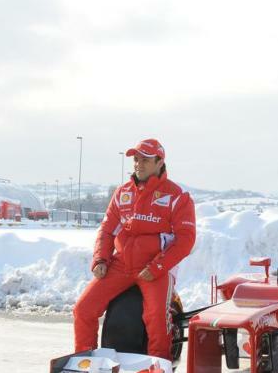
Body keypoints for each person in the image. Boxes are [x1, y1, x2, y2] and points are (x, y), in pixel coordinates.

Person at [72, 138, 196, 360]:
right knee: (83, 309)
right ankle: (85, 363)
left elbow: (185, 240)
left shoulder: (177, 196)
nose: (138, 164)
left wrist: (158, 266)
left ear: (160, 162)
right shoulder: (122, 193)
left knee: (156, 316)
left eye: (145, 160)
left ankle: (159, 370)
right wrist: (101, 259)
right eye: (136, 159)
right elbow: (107, 231)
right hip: (121, 265)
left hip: (155, 267)